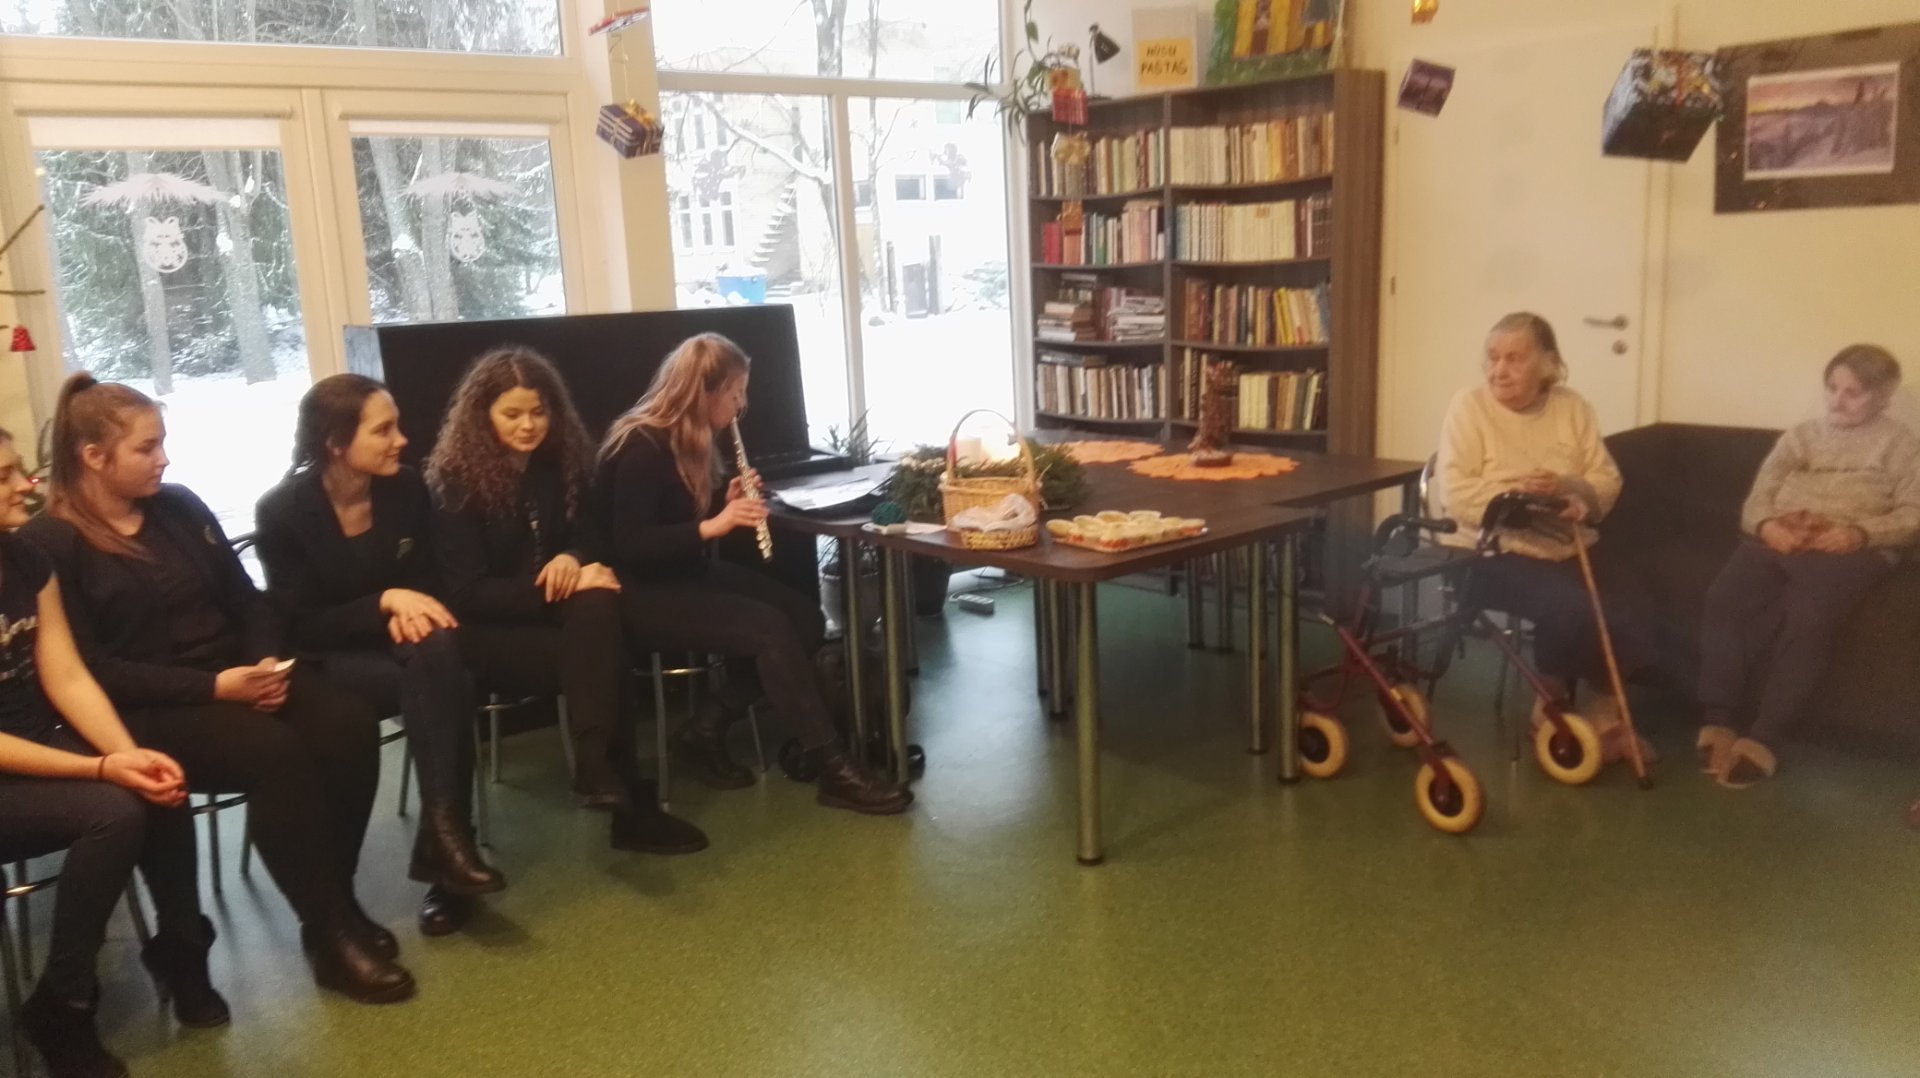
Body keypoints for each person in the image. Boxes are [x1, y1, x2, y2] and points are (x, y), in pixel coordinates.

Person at [21, 374, 413, 1006]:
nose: (164, 458)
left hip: (238, 675)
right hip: (148, 708)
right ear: (93, 456)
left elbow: (246, 598)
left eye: (162, 442)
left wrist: (264, 663)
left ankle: (335, 898)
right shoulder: (51, 543)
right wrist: (217, 688)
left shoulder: (176, 506)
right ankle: (330, 932)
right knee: (275, 753)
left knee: (347, 721)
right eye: (146, 448)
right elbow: (93, 670)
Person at [596, 332, 910, 815]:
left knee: (804, 619)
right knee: (768, 631)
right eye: (735, 393)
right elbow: (631, 545)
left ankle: (705, 728)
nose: (741, 406)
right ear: (703, 392)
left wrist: (722, 503)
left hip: (684, 574)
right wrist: (713, 525)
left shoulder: (693, 440)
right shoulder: (641, 446)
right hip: (640, 593)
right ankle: (835, 769)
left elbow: (677, 520)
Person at [0, 426, 227, 1078]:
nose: (25, 484)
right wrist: (100, 767)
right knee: (114, 811)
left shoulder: (24, 559)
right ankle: (64, 1002)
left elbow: (66, 676)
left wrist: (130, 756)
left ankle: (182, 950)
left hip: (39, 739)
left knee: (157, 780)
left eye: (21, 469)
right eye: (5, 476)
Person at [425, 346, 705, 854]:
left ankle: (598, 771)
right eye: (512, 414)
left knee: (599, 616)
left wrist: (572, 558)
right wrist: (557, 585)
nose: (528, 425)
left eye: (538, 411)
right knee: (602, 644)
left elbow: (591, 536)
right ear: (482, 416)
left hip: (556, 621)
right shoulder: (453, 483)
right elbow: (468, 593)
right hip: (483, 633)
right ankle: (623, 801)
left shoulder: (557, 465)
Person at [255, 375, 503, 938]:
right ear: (336, 443)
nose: (401, 440)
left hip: (402, 644)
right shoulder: (284, 511)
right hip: (328, 656)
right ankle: (447, 850)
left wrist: (404, 607)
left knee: (439, 654)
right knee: (447, 681)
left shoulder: (406, 489)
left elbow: (429, 582)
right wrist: (383, 602)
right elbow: (300, 622)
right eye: (384, 430)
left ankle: (445, 841)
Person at [1435, 311, 1657, 761]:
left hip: (1565, 543)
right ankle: (1550, 704)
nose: (1499, 370)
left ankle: (1605, 712)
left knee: (1634, 600)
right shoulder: (1469, 406)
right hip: (1487, 550)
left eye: (1515, 359)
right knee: (1568, 606)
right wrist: (1519, 497)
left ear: (1548, 364)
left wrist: (1571, 491)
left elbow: (1604, 479)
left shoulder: (1572, 407)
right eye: (1493, 357)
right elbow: (1455, 493)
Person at [1696, 345, 1920, 786]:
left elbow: (1913, 513)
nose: (1838, 400)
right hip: (1784, 534)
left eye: (1853, 393)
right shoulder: (1800, 436)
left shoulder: (1902, 444)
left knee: (1808, 615)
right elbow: (1758, 499)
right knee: (1725, 598)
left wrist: (1860, 534)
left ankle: (1765, 736)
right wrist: (1767, 527)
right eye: (1832, 388)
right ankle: (1718, 718)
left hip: (1850, 546)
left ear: (1882, 396)